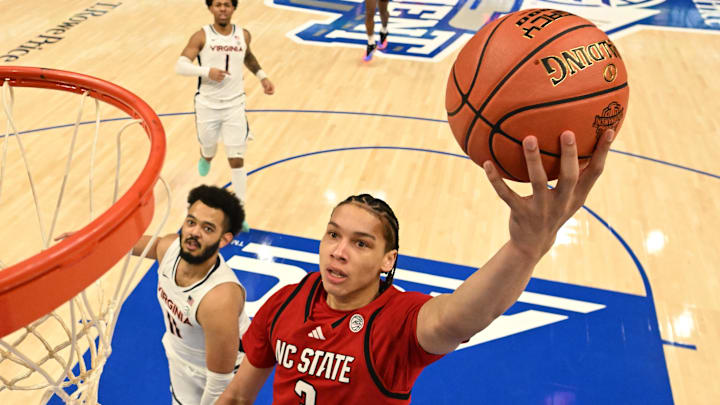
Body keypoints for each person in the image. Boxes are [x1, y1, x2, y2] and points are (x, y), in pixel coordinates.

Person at [215, 129, 616, 404]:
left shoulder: (395, 322)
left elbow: (456, 319)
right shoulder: (287, 301)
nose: (338, 252)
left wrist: (524, 248)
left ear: (388, 260)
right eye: (333, 235)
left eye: (360, 243)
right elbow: (237, 394)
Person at [135, 185, 250, 405]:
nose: (194, 232)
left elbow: (219, 382)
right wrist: (89, 243)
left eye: (207, 229)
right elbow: (132, 245)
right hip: (180, 356)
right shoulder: (168, 248)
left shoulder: (219, 299)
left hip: (222, 374)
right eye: (191, 222)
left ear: (224, 240)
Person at [175, 0, 275, 232]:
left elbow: (247, 56)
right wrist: (206, 71)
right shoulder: (201, 36)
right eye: (218, 4)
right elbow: (180, 66)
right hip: (207, 105)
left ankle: (239, 214)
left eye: (227, 5)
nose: (222, 8)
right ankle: (206, 156)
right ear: (210, 8)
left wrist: (262, 76)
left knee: (237, 158)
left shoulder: (243, 35)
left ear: (233, 8)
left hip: (235, 105)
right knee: (209, 147)